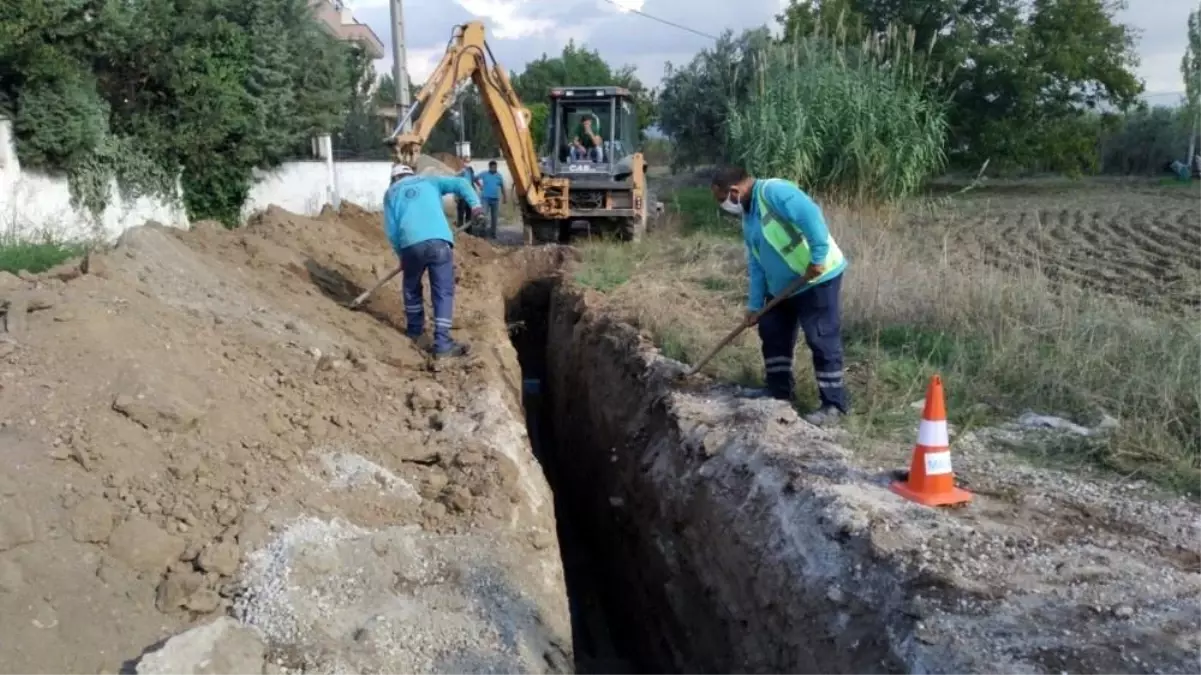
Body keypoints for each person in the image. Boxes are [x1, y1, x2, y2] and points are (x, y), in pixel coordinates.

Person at [710, 165, 849, 426]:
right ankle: (778, 391)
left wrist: (818, 257)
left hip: (816, 278)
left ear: (734, 191)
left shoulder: (775, 192)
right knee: (772, 330)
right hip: (781, 288)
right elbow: (756, 261)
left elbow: (812, 217)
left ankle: (834, 404)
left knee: (821, 337)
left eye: (722, 199)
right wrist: (753, 305)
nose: (723, 205)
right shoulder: (749, 214)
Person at [384, 163, 482, 358]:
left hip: (410, 245)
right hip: (439, 242)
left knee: (411, 288)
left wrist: (402, 256)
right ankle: (442, 343)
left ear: (394, 179)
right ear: (411, 174)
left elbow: (392, 231)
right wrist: (476, 206)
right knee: (443, 292)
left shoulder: (391, 193)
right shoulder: (430, 181)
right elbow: (462, 183)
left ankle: (414, 331)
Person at [478, 160, 506, 239]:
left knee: (494, 217)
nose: (495, 168)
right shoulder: (484, 174)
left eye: (496, 167)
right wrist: (479, 185)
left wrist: (505, 197)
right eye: (493, 167)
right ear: (489, 167)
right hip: (485, 199)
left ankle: (493, 233)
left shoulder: (499, 176)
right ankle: (482, 233)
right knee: (483, 216)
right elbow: (475, 178)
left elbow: (502, 186)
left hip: (495, 199)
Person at [455, 156, 481, 230]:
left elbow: (474, 179)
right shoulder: (460, 171)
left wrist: (480, 185)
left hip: (469, 195)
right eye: (466, 161)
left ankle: (469, 231)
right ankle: (460, 230)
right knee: (461, 214)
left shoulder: (470, 170)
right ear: (463, 162)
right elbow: (455, 181)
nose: (467, 163)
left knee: (469, 214)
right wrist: (455, 196)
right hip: (462, 196)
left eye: (469, 162)